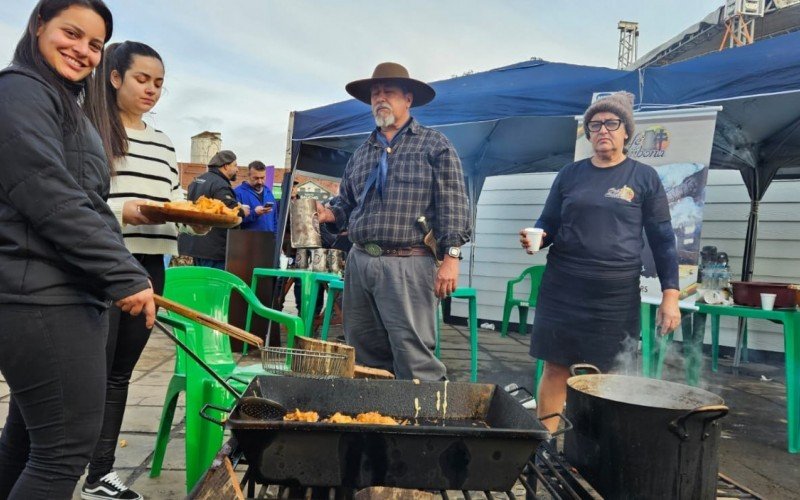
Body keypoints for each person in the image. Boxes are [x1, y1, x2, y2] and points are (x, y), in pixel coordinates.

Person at [0, 1, 155, 498]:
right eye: (72, 33)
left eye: (94, 44)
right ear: (39, 25)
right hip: (40, 294)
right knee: (64, 452)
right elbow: (46, 191)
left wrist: (125, 268)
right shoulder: (19, 89)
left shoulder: (62, 100)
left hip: (55, 288)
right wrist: (123, 273)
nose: (82, 50)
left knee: (26, 444)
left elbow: (90, 201)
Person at [83, 40, 209, 500]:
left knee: (119, 374)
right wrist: (124, 211)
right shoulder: (90, 129)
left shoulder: (162, 141)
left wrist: (193, 215)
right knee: (89, 372)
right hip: (103, 264)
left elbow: (173, 198)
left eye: (159, 83)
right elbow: (79, 201)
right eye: (142, 79)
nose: (152, 90)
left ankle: (101, 472)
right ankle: (53, 463)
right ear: (114, 77)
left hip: (150, 266)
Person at [518, 91, 681, 433]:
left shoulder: (644, 178)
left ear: (626, 132)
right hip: (564, 286)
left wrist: (671, 296)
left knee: (606, 375)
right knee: (555, 368)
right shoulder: (570, 175)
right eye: (595, 124)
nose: (602, 130)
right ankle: (545, 444)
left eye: (611, 123)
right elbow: (548, 223)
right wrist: (537, 239)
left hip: (615, 293)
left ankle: (595, 449)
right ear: (588, 133)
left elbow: (663, 239)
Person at [317, 62, 470, 380]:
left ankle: (422, 425)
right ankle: (375, 424)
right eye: (375, 94)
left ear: (408, 99)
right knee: (364, 356)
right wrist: (332, 213)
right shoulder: (362, 152)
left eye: (388, 92)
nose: (380, 99)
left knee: (413, 357)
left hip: (408, 263)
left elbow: (453, 204)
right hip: (360, 263)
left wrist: (451, 258)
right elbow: (347, 201)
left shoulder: (434, 146)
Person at [178, 150, 249, 269]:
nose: (237, 169)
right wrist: (242, 211)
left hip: (193, 244)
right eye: (235, 165)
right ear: (226, 166)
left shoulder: (197, 180)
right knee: (212, 285)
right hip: (213, 249)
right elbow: (229, 211)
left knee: (198, 284)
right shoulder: (220, 184)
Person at [234, 161, 278, 232]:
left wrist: (275, 239)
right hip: (247, 241)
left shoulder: (269, 192)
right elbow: (234, 220)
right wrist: (254, 213)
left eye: (262, 178)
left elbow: (274, 219)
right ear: (248, 175)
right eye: (256, 178)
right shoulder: (238, 193)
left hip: (268, 240)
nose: (260, 182)